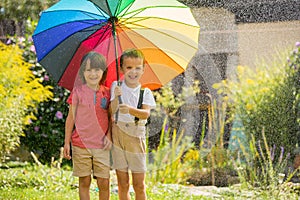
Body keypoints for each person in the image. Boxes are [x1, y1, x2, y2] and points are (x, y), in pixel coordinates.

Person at [63, 51, 112, 200]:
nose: (93, 74)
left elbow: (111, 118)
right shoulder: (77, 92)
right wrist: (66, 143)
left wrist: (109, 136)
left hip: (101, 145)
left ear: (103, 72)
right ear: (83, 72)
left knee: (104, 181)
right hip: (80, 144)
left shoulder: (108, 93)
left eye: (97, 70)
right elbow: (70, 118)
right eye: (88, 70)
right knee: (84, 181)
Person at [110, 48, 156, 200]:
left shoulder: (145, 92)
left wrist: (130, 109)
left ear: (143, 69)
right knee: (123, 184)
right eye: (129, 67)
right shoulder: (116, 86)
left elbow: (145, 114)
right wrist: (116, 98)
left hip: (136, 136)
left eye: (137, 68)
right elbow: (110, 111)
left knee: (138, 184)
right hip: (118, 135)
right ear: (121, 68)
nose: (133, 72)